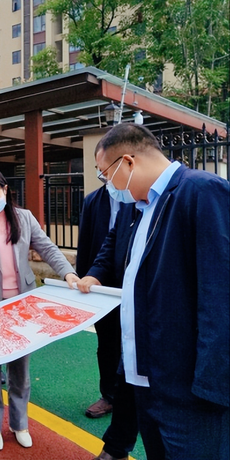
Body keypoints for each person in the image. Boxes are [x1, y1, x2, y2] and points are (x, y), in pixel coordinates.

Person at [77, 123, 229, 459]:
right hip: (146, 379)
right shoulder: (140, 206)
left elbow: (220, 294)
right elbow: (117, 250)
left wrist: (212, 386)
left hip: (188, 389)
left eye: (105, 174)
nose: (107, 185)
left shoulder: (201, 192)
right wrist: (95, 275)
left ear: (128, 162)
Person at [0, 167, 79, 452]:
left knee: (20, 370)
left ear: (5, 190)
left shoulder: (23, 218)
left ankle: (19, 423)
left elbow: (47, 248)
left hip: (22, 306)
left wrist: (68, 273)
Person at [77, 190, 139, 460]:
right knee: (114, 352)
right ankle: (115, 446)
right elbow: (105, 243)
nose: (106, 178)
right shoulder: (107, 203)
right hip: (106, 287)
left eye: (106, 171)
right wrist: (91, 275)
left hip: (148, 300)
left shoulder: (192, 193)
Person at [76, 185, 122, 418]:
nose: (103, 174)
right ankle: (109, 395)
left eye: (104, 168)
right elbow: (85, 242)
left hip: (134, 282)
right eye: (98, 169)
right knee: (107, 342)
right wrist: (83, 276)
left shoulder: (140, 199)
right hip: (101, 281)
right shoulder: (94, 200)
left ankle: (144, 398)